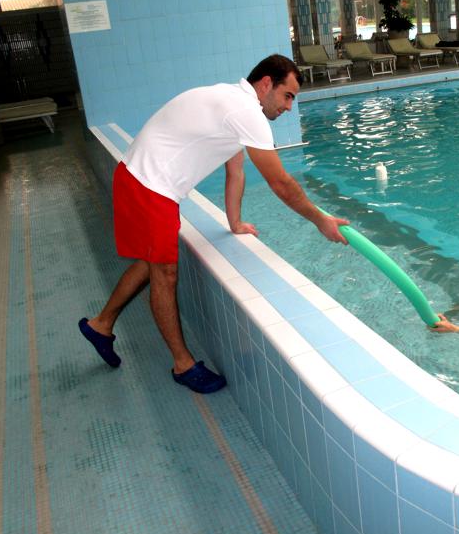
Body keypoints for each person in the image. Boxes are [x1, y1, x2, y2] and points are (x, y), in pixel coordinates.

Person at [78, 55, 349, 394]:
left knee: (151, 264)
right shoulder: (246, 112)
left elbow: (235, 170)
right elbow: (280, 183)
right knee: (165, 273)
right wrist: (320, 219)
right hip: (149, 186)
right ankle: (183, 365)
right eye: (288, 96)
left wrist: (234, 222)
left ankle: (100, 325)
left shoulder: (232, 103)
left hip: (142, 180)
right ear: (266, 84)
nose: (289, 107)